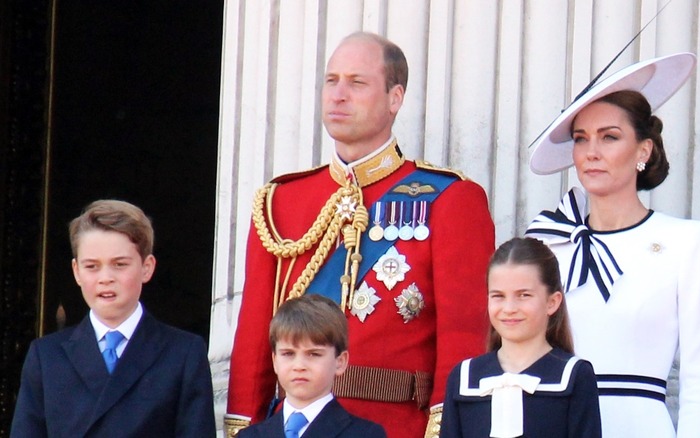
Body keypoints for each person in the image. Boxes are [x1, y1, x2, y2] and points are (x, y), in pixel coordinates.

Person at [225, 32, 495, 438]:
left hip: (397, 426)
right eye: (331, 80)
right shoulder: (280, 202)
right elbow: (253, 342)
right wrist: (242, 427)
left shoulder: (450, 198)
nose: (338, 94)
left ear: (395, 98)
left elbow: (464, 338)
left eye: (357, 82)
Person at [524, 53, 700, 437]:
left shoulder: (687, 241)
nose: (591, 152)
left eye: (609, 137)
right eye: (581, 140)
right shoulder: (546, 243)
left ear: (643, 151)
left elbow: (699, 382)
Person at [10, 200, 216, 437]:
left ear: (146, 267)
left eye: (119, 265)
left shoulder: (183, 353)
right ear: (76, 271)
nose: (105, 278)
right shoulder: (46, 356)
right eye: (92, 266)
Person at [440, 237, 601, 437]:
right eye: (498, 296)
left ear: (552, 302)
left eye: (524, 295)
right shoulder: (464, 377)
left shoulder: (573, 376)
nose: (509, 309)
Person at [237, 294, 386, 438]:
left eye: (314, 354)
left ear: (340, 361)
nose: (299, 366)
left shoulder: (366, 434)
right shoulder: (249, 435)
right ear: (275, 361)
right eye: (288, 354)